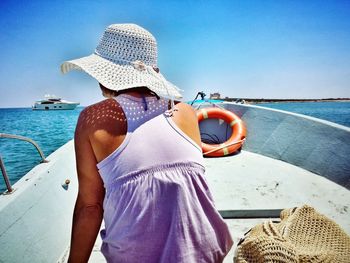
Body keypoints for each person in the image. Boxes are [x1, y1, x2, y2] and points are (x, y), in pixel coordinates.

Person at [61, 23, 233, 263]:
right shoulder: (185, 112)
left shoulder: (91, 119)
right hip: (207, 251)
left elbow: (90, 207)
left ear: (105, 74)